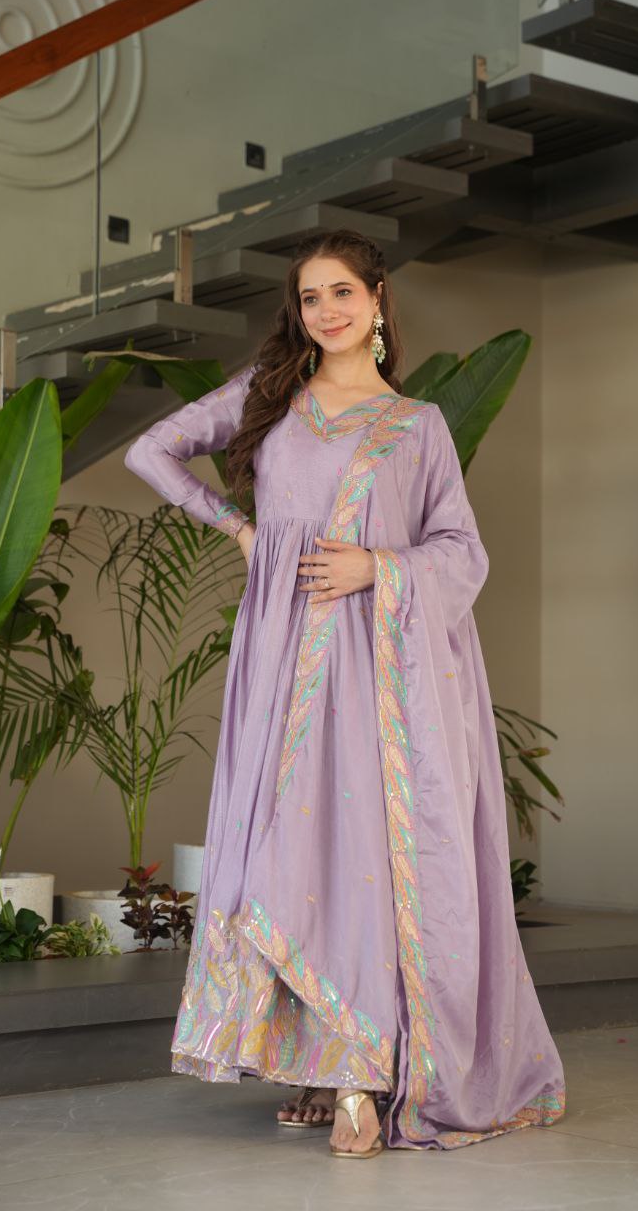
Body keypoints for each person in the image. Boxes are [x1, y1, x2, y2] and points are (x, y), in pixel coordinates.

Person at [123, 227, 566, 1158]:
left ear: (376, 301)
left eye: (341, 293)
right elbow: (154, 450)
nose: (325, 311)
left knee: (363, 849)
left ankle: (363, 1070)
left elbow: (462, 551)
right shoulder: (267, 394)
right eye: (310, 298)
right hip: (283, 659)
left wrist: (377, 566)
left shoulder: (416, 425)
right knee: (290, 843)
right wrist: (236, 527)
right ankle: (317, 1060)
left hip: (380, 670)